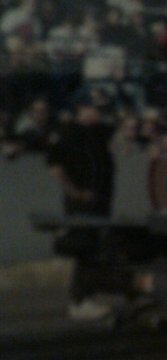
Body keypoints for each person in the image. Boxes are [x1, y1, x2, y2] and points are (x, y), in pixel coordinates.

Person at [47, 98, 116, 320]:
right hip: (81, 202)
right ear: (81, 109)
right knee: (83, 248)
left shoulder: (98, 133)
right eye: (95, 108)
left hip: (100, 201)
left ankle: (86, 297)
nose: (99, 113)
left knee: (94, 249)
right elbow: (55, 165)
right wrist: (74, 192)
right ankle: (79, 300)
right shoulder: (68, 132)